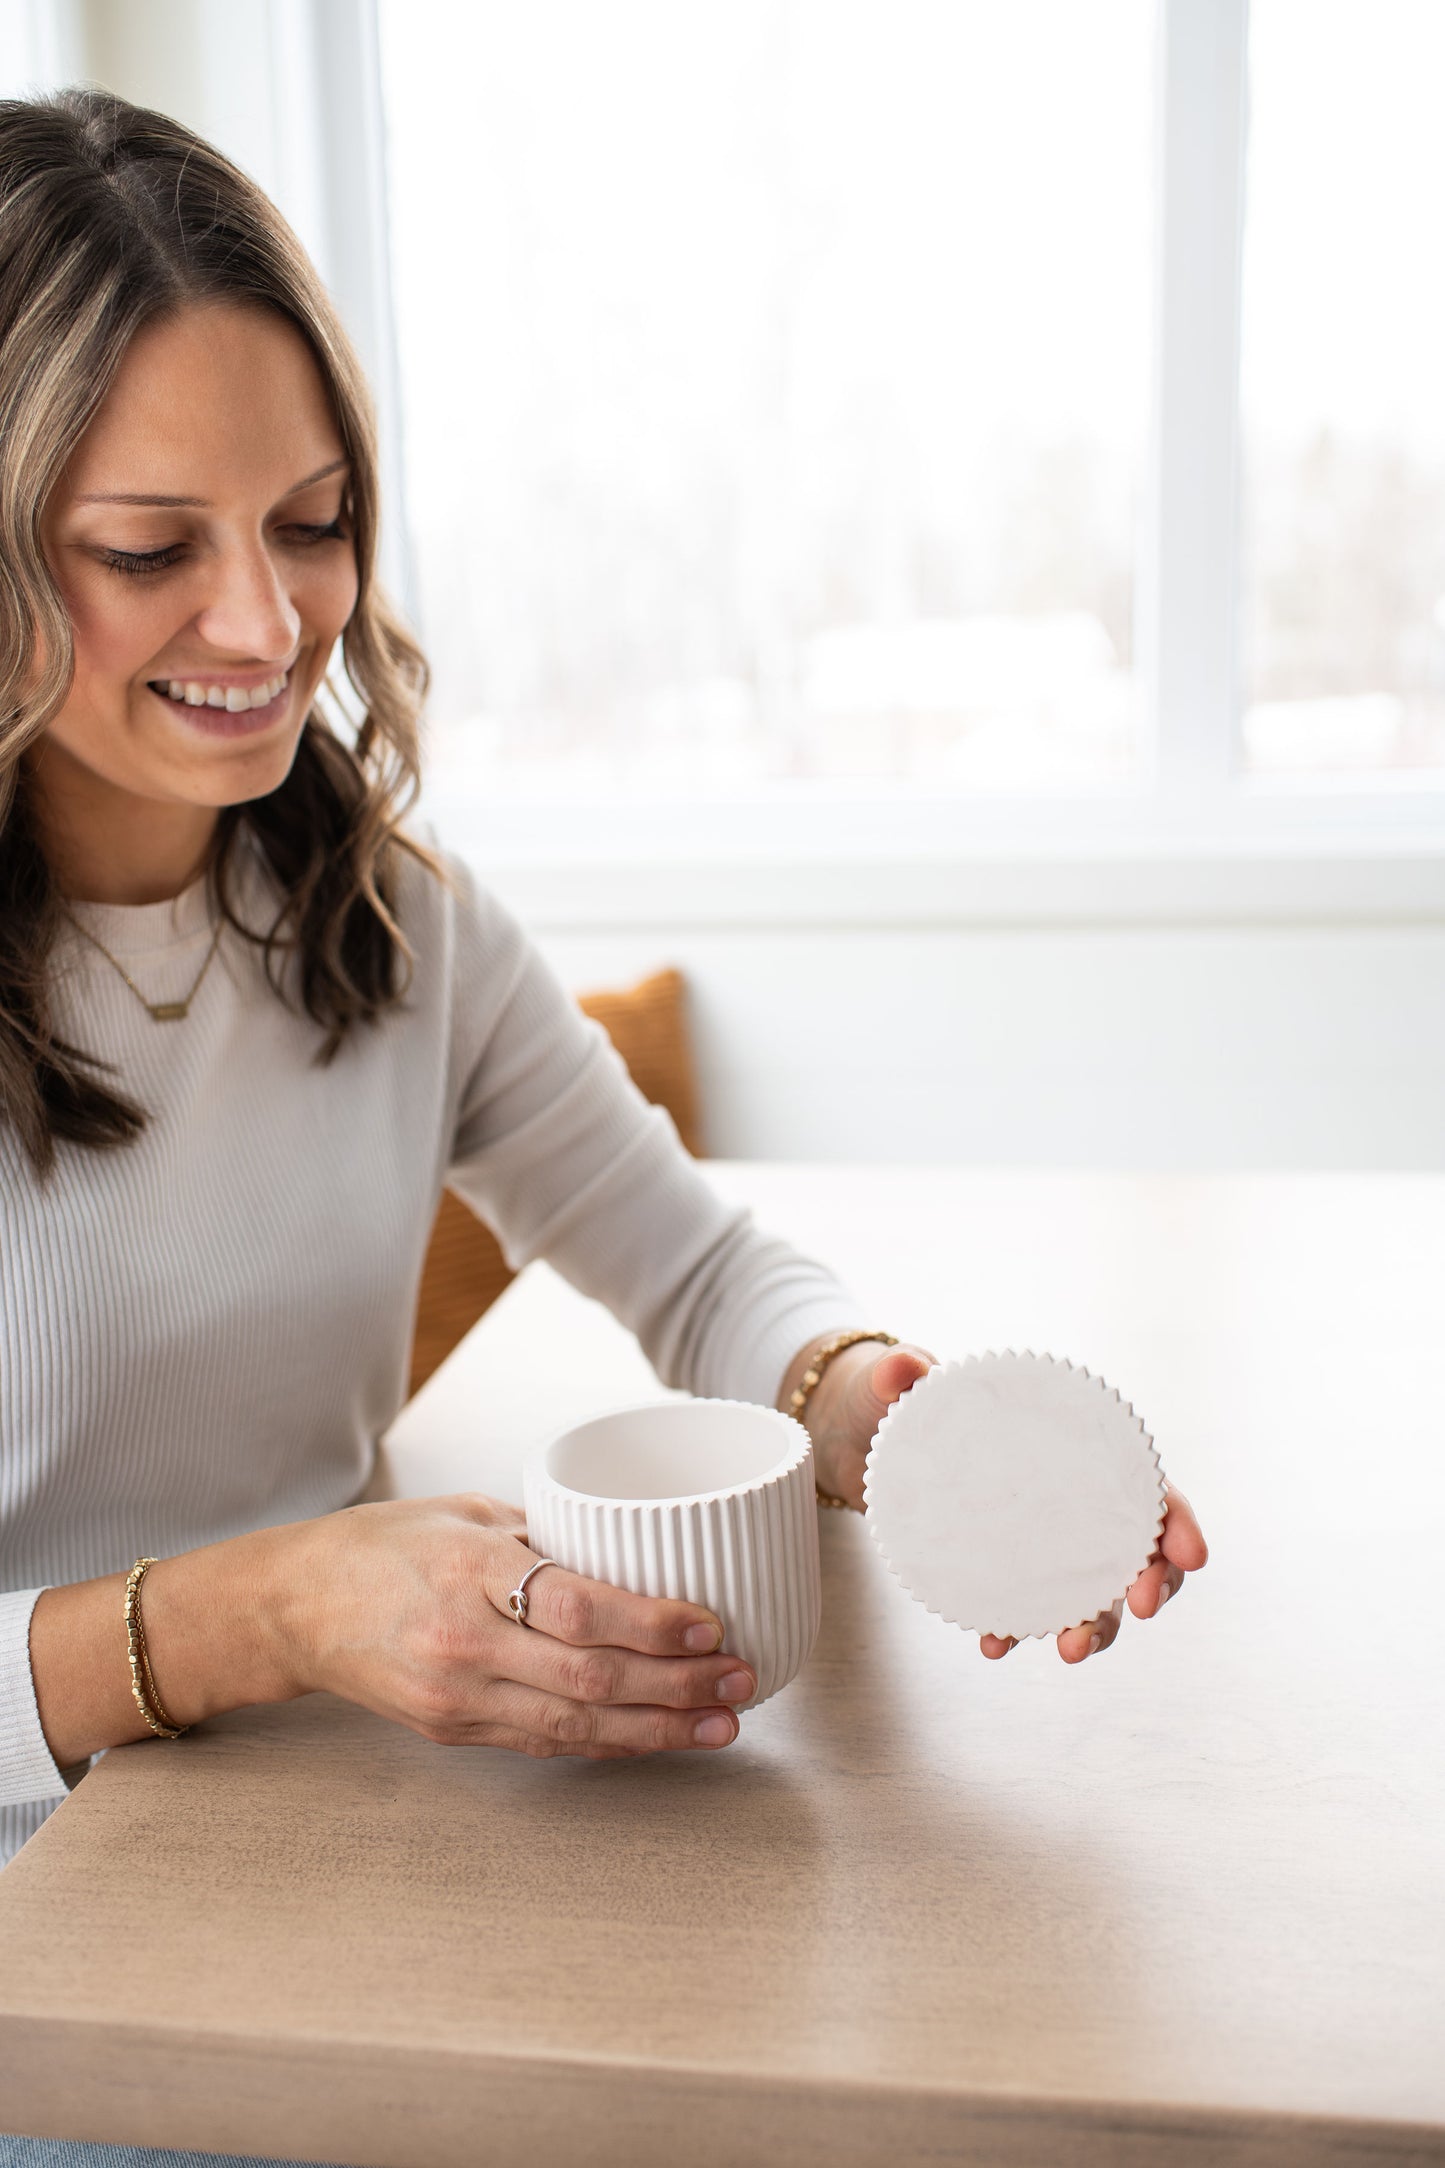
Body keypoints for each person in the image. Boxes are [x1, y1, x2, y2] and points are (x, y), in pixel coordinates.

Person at [0, 87, 1208, 2168]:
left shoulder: (387, 920)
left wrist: (885, 1412)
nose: (268, 625)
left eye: (308, 520)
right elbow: (252, 1615)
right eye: (145, 550)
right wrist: (259, 1612)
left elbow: (702, 1264)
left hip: (323, 1852)